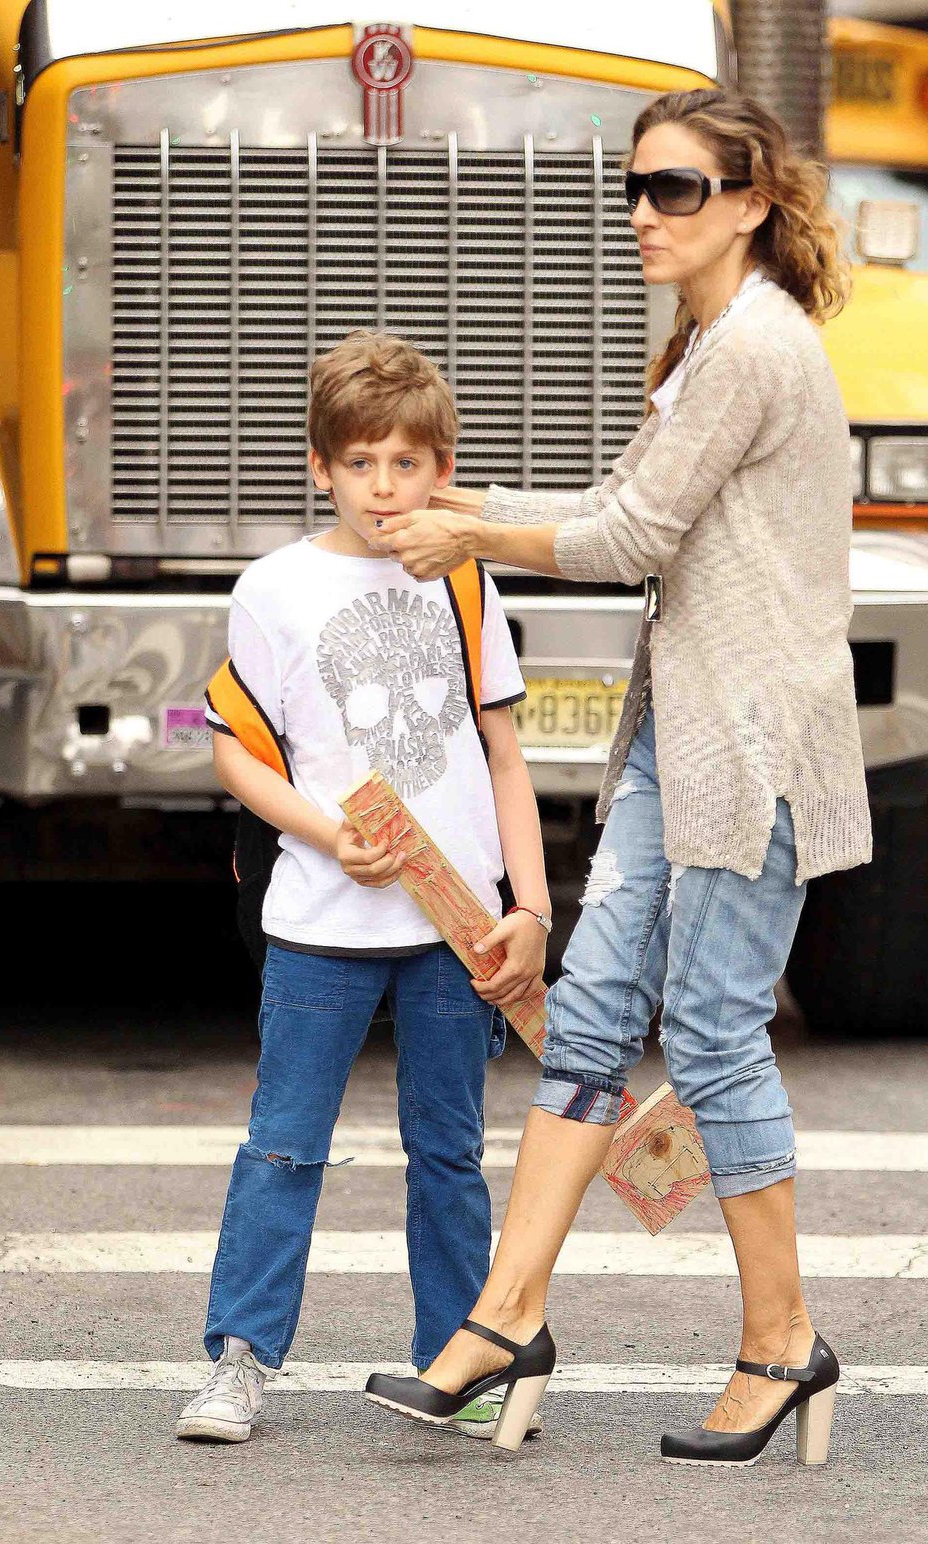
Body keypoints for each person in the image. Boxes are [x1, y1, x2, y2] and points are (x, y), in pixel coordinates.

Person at [364, 89, 872, 1466]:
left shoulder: (756, 347)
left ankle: (782, 1344)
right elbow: (613, 512)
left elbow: (631, 536)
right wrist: (475, 515)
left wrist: (466, 530)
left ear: (753, 202)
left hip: (750, 741)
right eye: (635, 190)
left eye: (678, 191)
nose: (645, 214)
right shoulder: (702, 344)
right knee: (589, 1016)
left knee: (709, 1030)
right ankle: (505, 1315)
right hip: (681, 732)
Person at [176, 331, 551, 1445]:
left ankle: (462, 1358)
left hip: (455, 928)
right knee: (283, 1142)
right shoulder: (275, 586)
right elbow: (234, 748)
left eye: (406, 462)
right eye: (361, 463)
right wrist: (328, 831)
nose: (384, 487)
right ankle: (239, 1360)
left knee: (450, 1149)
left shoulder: (466, 575)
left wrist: (528, 908)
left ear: (443, 468)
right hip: (319, 920)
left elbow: (505, 753)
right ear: (319, 465)